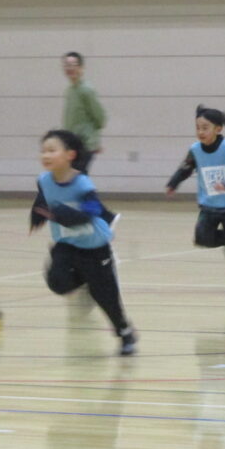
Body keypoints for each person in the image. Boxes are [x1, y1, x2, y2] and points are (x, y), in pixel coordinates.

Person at [30, 129, 137, 356]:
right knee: (57, 282)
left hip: (95, 247)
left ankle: (125, 332)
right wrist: (37, 216)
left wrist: (65, 215)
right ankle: (85, 282)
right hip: (66, 243)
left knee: (107, 298)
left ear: (70, 155)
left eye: (52, 150)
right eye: (43, 151)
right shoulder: (44, 181)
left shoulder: (82, 183)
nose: (46, 155)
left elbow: (91, 211)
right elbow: (42, 201)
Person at [165, 105, 225, 293]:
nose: (200, 132)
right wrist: (173, 183)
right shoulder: (195, 150)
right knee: (202, 237)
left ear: (218, 129)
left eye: (205, 128)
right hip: (210, 205)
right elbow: (185, 169)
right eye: (198, 128)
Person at [61, 51, 118, 226]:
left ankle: (103, 217)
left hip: (84, 144)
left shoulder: (86, 90)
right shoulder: (70, 91)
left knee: (77, 181)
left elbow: (100, 117)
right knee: (78, 182)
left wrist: (93, 140)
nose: (70, 68)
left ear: (81, 68)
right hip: (74, 145)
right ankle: (99, 217)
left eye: (73, 65)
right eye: (66, 65)